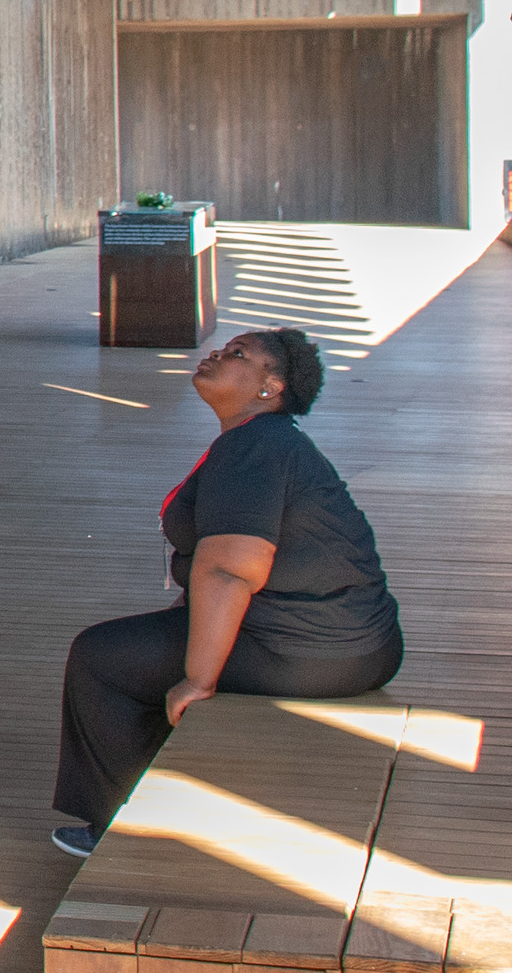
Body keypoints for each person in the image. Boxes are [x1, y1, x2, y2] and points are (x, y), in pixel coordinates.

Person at [48, 323, 402, 858]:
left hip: (309, 652)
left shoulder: (255, 446)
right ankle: (157, 791)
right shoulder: (267, 442)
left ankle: (119, 823)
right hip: (360, 644)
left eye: (239, 353)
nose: (217, 353)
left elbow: (232, 570)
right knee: (151, 645)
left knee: (101, 658)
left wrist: (197, 679)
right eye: (223, 347)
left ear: (271, 387)